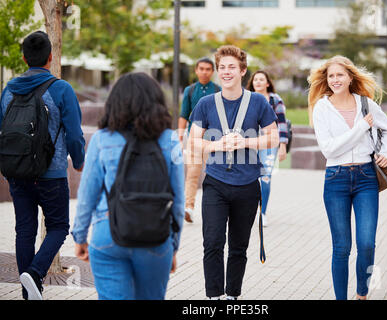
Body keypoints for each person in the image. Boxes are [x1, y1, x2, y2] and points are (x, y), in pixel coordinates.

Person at [71, 72, 184, 300]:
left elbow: (87, 195)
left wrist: (80, 236)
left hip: (108, 233)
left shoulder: (103, 139)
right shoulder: (170, 140)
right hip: (155, 236)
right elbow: (178, 201)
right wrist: (173, 245)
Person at [0, 31, 85, 300]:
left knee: (25, 229)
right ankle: (35, 273)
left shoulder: (9, 89)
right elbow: (74, 134)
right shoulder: (61, 89)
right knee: (58, 227)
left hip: (17, 172)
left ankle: (29, 293)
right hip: (51, 173)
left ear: (24, 58)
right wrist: (79, 161)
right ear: (50, 57)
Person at [189, 45, 279, 300]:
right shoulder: (206, 104)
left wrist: (247, 142)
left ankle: (233, 297)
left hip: (248, 185)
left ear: (242, 70)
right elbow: (193, 142)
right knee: (213, 243)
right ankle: (213, 298)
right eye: (222, 67)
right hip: (216, 183)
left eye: (231, 67)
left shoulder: (259, 102)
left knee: (239, 247)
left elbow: (273, 137)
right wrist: (216, 145)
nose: (226, 72)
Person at [307, 55, 387, 300]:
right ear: (326, 80)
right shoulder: (322, 108)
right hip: (336, 179)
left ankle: (362, 293)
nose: (335, 79)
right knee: (341, 248)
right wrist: (360, 127)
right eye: (331, 76)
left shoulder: (366, 104)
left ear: (350, 77)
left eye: (340, 75)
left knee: (367, 243)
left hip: (366, 178)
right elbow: (329, 149)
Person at [178, 57, 220, 223]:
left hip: (214, 140)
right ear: (196, 70)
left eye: (208, 69)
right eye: (201, 68)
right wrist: (180, 136)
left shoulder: (218, 90)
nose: (204, 71)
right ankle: (188, 207)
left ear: (212, 71)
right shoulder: (190, 90)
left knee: (214, 175)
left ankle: (215, 210)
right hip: (194, 139)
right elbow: (183, 115)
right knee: (193, 174)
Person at [247, 70, 288, 227]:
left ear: (267, 83)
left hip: (269, 144)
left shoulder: (275, 100)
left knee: (265, 177)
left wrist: (283, 145)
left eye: (261, 79)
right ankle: (249, 211)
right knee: (249, 177)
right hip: (249, 142)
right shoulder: (246, 98)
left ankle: (262, 212)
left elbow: (282, 124)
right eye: (255, 79)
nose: (258, 82)